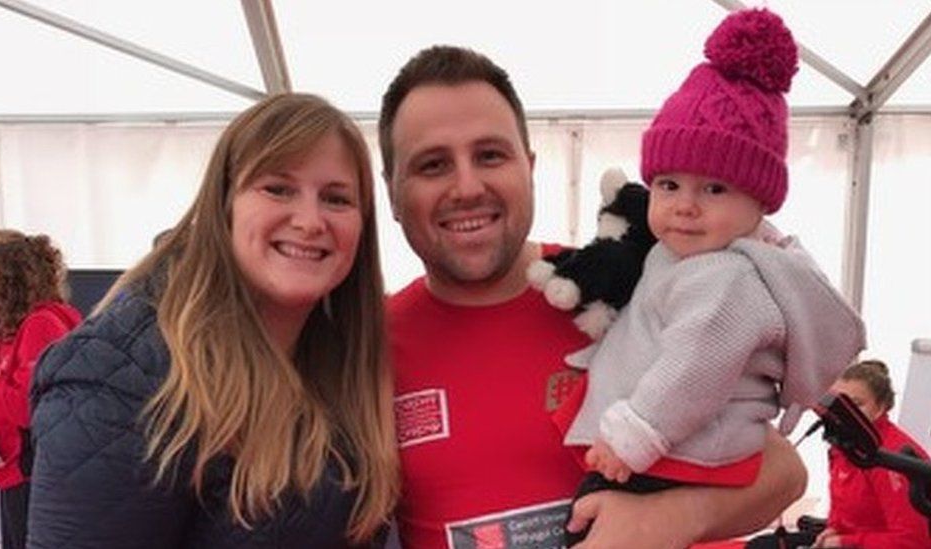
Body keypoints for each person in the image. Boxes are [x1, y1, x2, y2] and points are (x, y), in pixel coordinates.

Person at [379, 44, 808, 549]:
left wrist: (666, 519)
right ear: (392, 193)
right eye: (433, 165)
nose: (468, 186)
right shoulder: (366, 345)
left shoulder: (624, 287)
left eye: (490, 155)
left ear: (528, 166)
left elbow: (782, 470)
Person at [27, 93, 399, 548]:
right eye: (277, 188)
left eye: (336, 199)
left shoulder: (343, 362)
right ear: (223, 204)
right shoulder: (126, 375)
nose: (309, 220)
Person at [560, 9, 866, 544]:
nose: (685, 207)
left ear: (759, 200)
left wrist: (630, 438)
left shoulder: (728, 278)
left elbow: (692, 370)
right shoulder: (685, 255)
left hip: (674, 453)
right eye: (669, 185)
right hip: (675, 448)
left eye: (714, 189)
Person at [0, 229, 82, 549]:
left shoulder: (41, 325)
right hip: (17, 479)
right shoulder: (12, 328)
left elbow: (26, 409)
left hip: (37, 481)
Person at [813, 360, 931, 548]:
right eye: (841, 405)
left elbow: (914, 541)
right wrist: (834, 528)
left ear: (881, 407)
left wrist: (846, 542)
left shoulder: (890, 458)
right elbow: (842, 507)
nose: (846, 414)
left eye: (857, 405)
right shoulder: (844, 446)